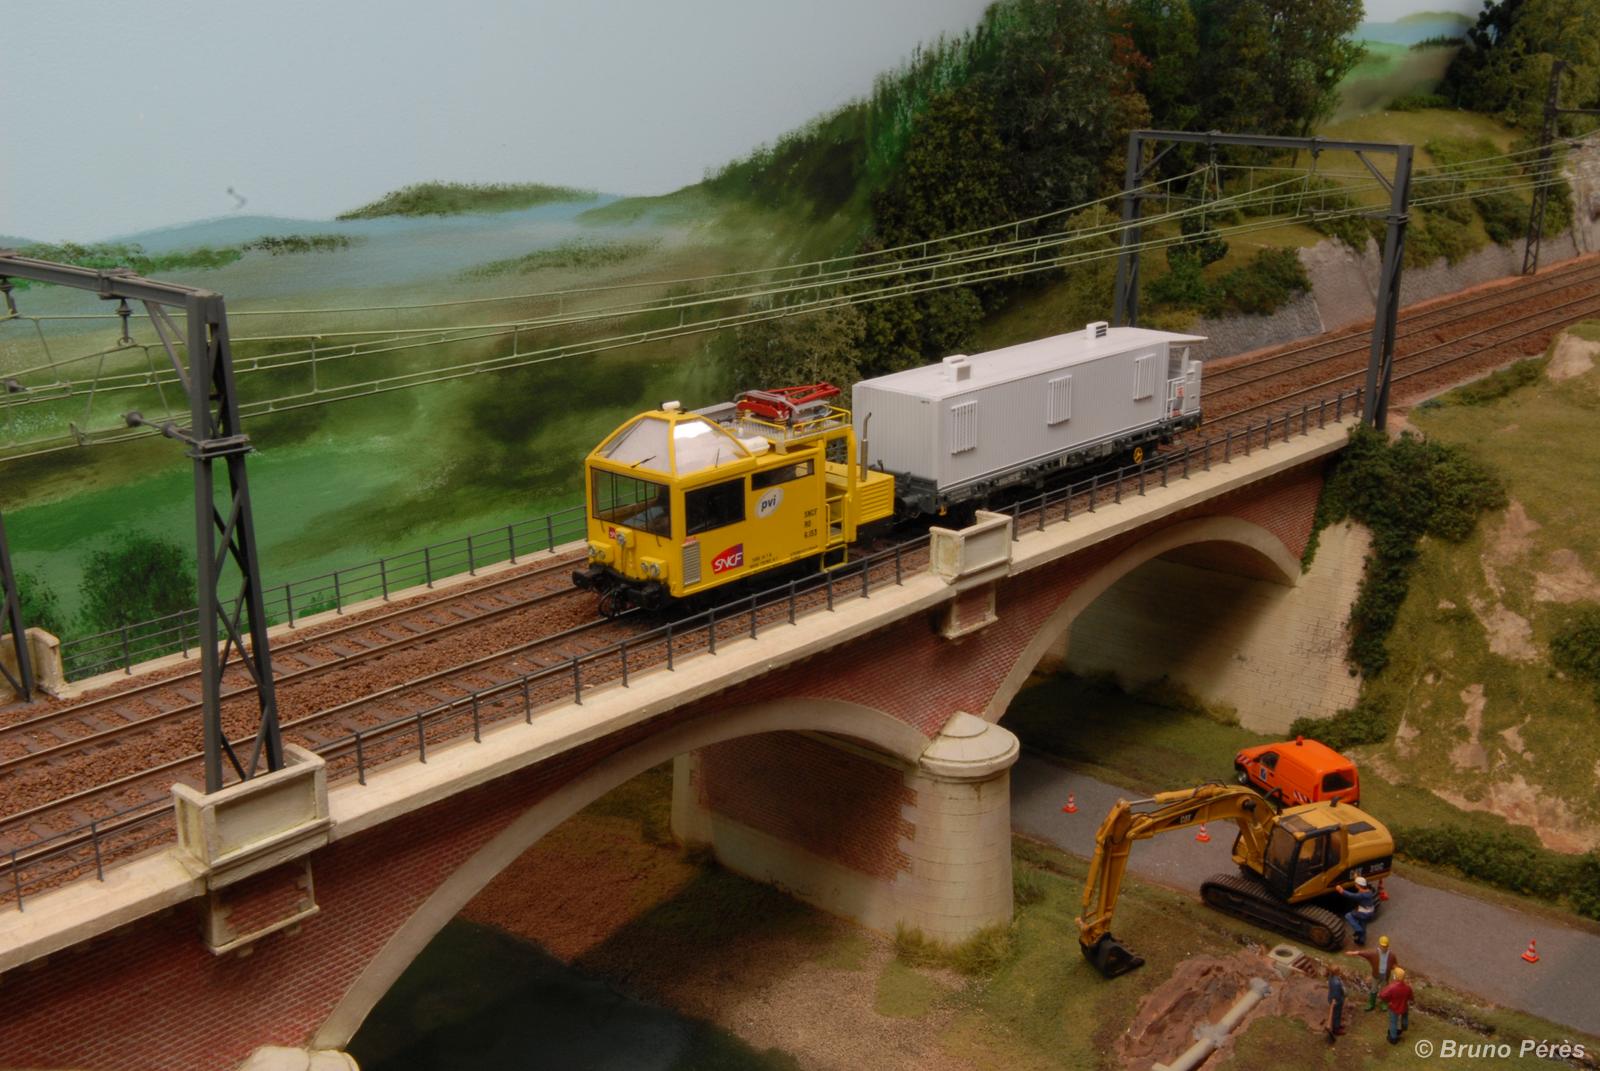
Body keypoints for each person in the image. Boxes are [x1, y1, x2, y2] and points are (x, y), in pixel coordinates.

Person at [1345, 934, 1400, 1011]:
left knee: (1385, 990)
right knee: (1373, 989)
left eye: (1385, 946)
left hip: (1385, 976)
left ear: (1388, 946)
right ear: (1380, 945)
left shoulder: (1391, 955)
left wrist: (1398, 971)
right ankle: (1371, 1003)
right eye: (1382, 946)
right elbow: (1364, 953)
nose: (1384, 948)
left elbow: (1395, 965)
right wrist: (1354, 953)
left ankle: (1384, 1003)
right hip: (1376, 975)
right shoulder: (1374, 953)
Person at [1337, 875, 1379, 946]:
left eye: (1356, 884)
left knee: (1348, 915)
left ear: (1358, 885)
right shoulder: (1369, 891)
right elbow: (1361, 884)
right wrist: (1356, 877)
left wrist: (1341, 890)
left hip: (1365, 913)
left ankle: (1358, 930)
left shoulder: (1361, 895)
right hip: (1370, 911)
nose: (1355, 885)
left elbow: (1351, 895)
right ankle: (1361, 940)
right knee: (1363, 924)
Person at [1378, 966, 1414, 1044]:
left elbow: (1382, 995)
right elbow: (1411, 997)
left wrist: (1388, 1001)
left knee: (1393, 1022)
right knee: (1405, 1017)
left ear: (1395, 976)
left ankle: (1393, 1038)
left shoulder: (1391, 987)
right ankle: (1404, 1027)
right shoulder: (1408, 987)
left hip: (1394, 1007)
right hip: (1404, 1006)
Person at [1325, 970, 1346, 1043]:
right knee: (1336, 1014)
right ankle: (1336, 1029)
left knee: (1337, 1014)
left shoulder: (1331, 978)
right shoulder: (1336, 983)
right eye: (1339, 971)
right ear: (1337, 972)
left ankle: (1337, 1025)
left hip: (1334, 999)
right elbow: (1336, 993)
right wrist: (1334, 1000)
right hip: (1337, 1000)